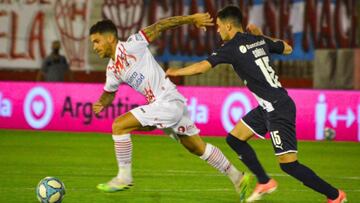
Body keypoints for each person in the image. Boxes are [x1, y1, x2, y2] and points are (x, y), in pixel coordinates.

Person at [166, 5, 347, 203]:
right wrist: (263, 36)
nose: (217, 31)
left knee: (289, 165)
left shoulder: (231, 47)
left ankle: (335, 196)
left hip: (277, 108)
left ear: (228, 26)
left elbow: (202, 67)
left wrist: (176, 72)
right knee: (234, 139)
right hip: (268, 106)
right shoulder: (258, 40)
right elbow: (288, 48)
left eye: (218, 26)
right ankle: (264, 181)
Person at [89, 15, 251, 199]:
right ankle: (238, 177)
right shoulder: (112, 69)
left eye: (97, 41)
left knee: (119, 126)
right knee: (198, 148)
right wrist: (102, 102)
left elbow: (160, 26)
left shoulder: (133, 44)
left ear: (110, 38)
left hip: (167, 101)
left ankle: (124, 177)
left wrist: (192, 19)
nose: (94, 47)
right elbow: (109, 93)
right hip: (167, 104)